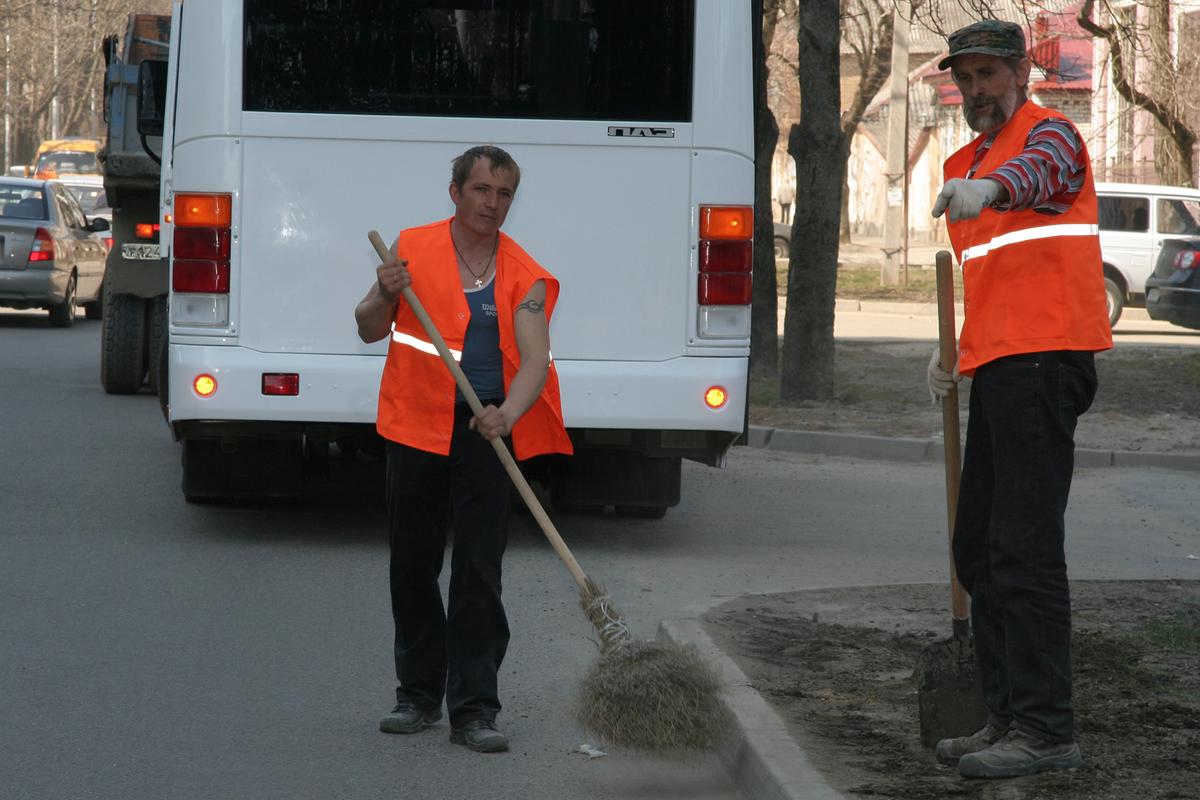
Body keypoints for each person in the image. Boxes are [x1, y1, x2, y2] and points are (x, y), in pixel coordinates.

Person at [926, 20, 1113, 780]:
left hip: (1049, 362)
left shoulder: (1051, 137)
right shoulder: (961, 161)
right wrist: (952, 353)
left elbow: (1036, 178)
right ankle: (1006, 716)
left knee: (1024, 551)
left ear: (1020, 73)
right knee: (977, 550)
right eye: (964, 80)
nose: (976, 92)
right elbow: (997, 274)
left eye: (988, 76)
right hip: (1000, 366)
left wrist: (993, 188)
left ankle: (1046, 730)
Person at [355, 145, 573, 754]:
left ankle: (474, 708)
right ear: (456, 193)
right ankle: (417, 696)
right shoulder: (412, 249)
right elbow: (369, 325)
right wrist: (382, 290)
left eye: (503, 194)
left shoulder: (524, 274)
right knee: (413, 563)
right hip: (415, 425)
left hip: (485, 431)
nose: (492, 204)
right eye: (481, 190)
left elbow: (533, 360)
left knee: (480, 568)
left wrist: (510, 411)